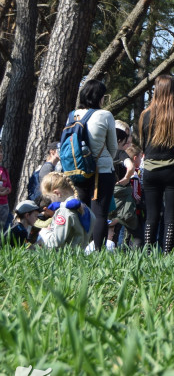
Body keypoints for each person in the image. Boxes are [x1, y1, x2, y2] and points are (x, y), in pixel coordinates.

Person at [137, 75, 174, 253]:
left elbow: (143, 144)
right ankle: (167, 254)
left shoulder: (145, 115)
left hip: (151, 169)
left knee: (151, 217)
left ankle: (147, 254)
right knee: (171, 217)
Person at [67, 79, 119, 252]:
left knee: (80, 210)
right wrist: (104, 160)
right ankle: (97, 251)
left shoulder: (73, 115)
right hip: (101, 171)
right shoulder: (105, 115)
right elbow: (113, 147)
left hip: (77, 169)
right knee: (100, 213)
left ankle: (78, 248)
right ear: (99, 97)